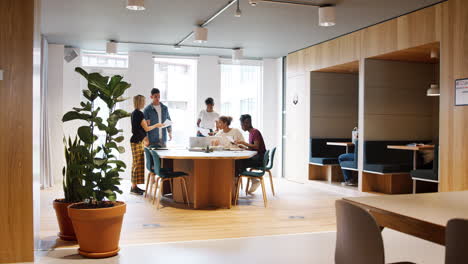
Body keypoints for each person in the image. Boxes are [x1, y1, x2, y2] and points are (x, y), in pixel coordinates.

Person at [130, 95, 163, 195]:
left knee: (136, 164)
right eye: (143, 101)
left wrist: (146, 123)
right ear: (140, 102)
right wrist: (157, 125)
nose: (144, 103)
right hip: (137, 141)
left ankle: (134, 186)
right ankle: (133, 187)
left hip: (136, 140)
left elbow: (139, 126)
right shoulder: (139, 113)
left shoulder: (134, 113)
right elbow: (146, 129)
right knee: (137, 164)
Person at [235, 114, 267, 194]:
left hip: (260, 159)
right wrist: (244, 147)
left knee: (237, 163)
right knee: (238, 162)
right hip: (258, 157)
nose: (242, 127)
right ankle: (253, 180)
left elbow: (256, 146)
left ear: (247, 123)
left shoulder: (255, 132)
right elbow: (253, 148)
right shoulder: (251, 133)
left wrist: (243, 143)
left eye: (242, 125)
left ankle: (236, 186)